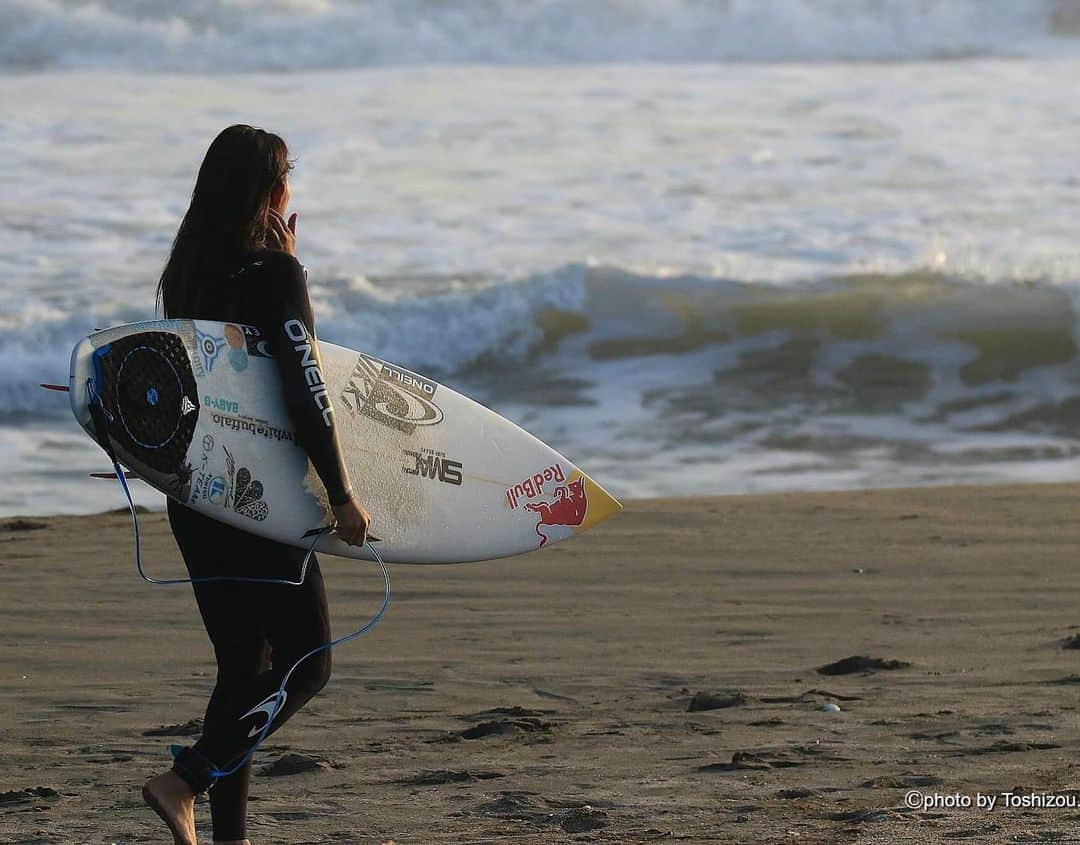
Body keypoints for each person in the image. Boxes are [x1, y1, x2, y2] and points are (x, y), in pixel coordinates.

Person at [141, 124, 372, 845]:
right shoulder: (273, 276)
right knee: (308, 661)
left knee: (245, 664)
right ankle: (185, 780)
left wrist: (286, 269)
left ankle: (228, 836)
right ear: (273, 193)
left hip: (194, 494)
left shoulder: (186, 275)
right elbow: (303, 390)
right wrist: (340, 492)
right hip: (257, 501)